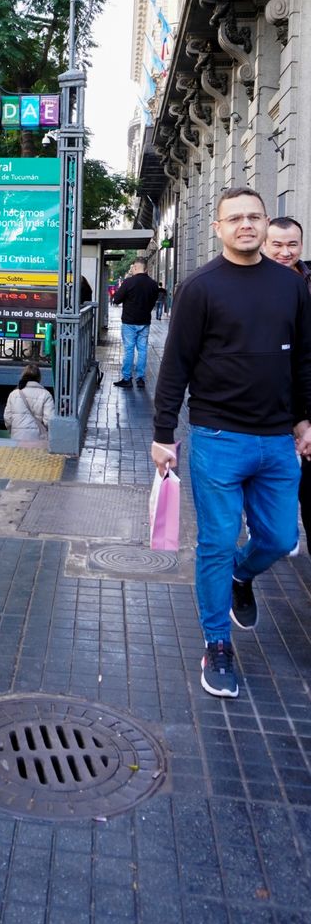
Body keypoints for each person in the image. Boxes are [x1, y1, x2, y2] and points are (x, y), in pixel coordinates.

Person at [152, 187, 311, 699]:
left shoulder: (291, 287)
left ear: (267, 225)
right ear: (219, 228)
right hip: (217, 436)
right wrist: (162, 434)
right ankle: (217, 644)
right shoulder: (200, 287)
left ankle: (244, 577)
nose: (246, 225)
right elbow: (175, 364)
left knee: (280, 539)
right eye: (235, 218)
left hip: (278, 440)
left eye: (254, 217)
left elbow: (304, 358)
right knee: (216, 544)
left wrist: (305, 420)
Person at [263, 215, 311, 548]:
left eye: (291, 244)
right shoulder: (251, 281)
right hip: (269, 402)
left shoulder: (307, 281)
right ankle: (269, 535)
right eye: (277, 244)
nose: (284, 252)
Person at [112, 258, 159, 389]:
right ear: (146, 269)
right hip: (145, 322)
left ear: (136, 268)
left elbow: (116, 300)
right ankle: (140, 379)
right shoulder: (153, 284)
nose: (131, 270)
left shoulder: (128, 282)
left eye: (133, 268)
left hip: (129, 322)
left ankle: (127, 378)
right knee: (143, 350)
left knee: (129, 350)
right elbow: (153, 301)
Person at [4, 364, 55, 441]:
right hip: (38, 439)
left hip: (17, 438)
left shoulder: (14, 394)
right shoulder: (46, 395)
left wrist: (14, 431)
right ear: (39, 378)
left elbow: (7, 418)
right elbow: (49, 421)